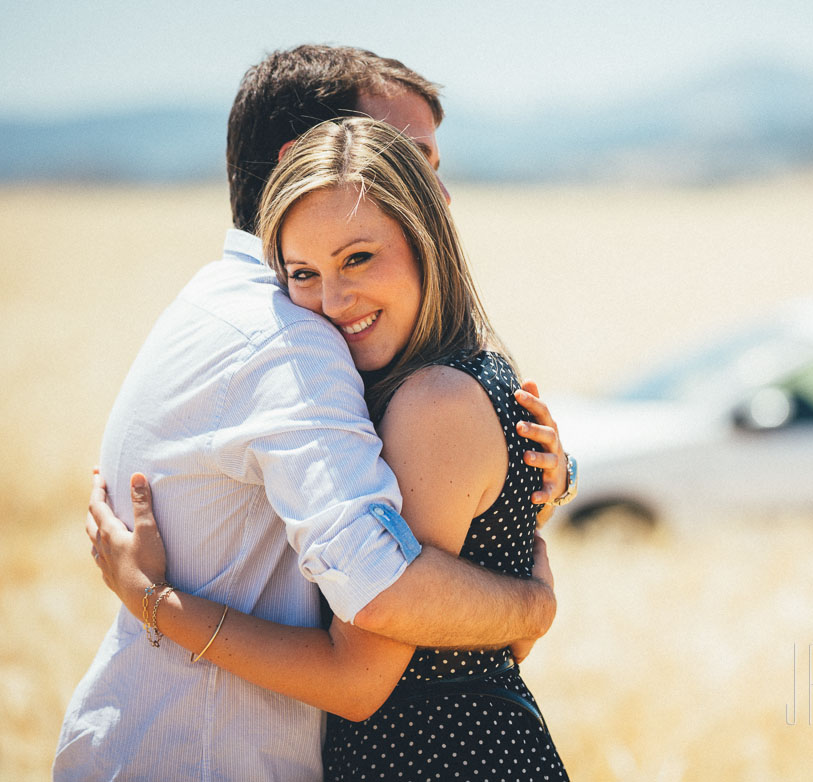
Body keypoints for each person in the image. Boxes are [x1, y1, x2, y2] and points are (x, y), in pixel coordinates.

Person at [55, 46, 574, 781]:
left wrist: (548, 487)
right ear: (317, 159)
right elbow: (387, 597)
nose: (439, 193)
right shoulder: (293, 341)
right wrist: (529, 604)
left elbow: (407, 573)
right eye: (409, 156)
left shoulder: (239, 309)